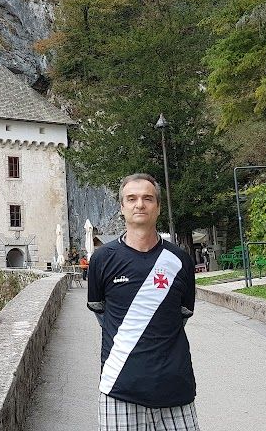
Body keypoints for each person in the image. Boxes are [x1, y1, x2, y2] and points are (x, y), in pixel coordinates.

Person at [87, 173, 199, 431]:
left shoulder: (180, 260)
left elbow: (182, 313)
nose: (140, 204)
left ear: (158, 207)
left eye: (148, 198)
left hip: (175, 387)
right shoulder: (102, 259)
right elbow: (100, 309)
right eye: (132, 198)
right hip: (119, 386)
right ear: (122, 207)